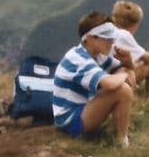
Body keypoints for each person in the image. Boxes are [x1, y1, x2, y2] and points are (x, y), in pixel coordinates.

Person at [52, 11, 137, 147]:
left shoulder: (97, 55)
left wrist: (128, 63)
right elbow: (112, 84)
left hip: (82, 110)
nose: (112, 42)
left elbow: (131, 75)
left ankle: (120, 135)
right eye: (107, 39)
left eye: (112, 38)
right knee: (123, 90)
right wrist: (125, 74)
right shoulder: (78, 59)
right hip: (70, 121)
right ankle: (121, 143)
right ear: (91, 38)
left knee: (122, 85)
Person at [110, 0, 149, 101]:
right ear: (136, 23)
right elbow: (146, 57)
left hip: (103, 76)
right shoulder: (124, 35)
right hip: (114, 78)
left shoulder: (109, 30)